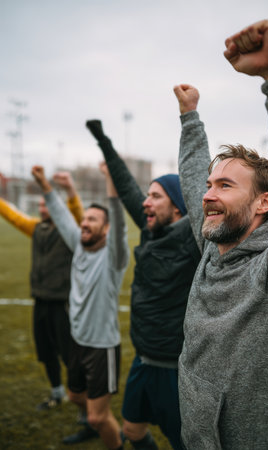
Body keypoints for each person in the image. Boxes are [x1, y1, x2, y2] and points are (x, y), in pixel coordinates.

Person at [173, 19, 268, 449]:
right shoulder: (212, 247)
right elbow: (193, 184)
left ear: (265, 202)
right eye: (213, 184)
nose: (210, 194)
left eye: (225, 186)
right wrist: (190, 117)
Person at [86, 120, 201, 450]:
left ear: (179, 206)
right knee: (132, 431)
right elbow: (125, 188)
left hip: (176, 368)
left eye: (155, 196)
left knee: (186, 442)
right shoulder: (152, 230)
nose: (145, 202)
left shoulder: (196, 239)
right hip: (143, 359)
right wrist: (104, 142)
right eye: (147, 195)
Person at [32, 162, 129, 450]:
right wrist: (45, 184)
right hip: (77, 341)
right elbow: (62, 217)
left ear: (106, 228)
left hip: (102, 348)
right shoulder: (79, 246)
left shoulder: (113, 258)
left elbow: (120, 221)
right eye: (84, 219)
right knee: (75, 397)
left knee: (99, 418)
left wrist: (110, 177)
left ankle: (113, 439)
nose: (85, 223)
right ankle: (92, 421)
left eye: (93, 220)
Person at [0, 173, 83, 410]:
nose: (42, 209)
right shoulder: (36, 228)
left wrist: (70, 192)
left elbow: (77, 214)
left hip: (62, 303)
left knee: (70, 355)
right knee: (46, 351)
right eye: (39, 206)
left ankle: (83, 403)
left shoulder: (71, 232)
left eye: (45, 204)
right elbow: (14, 217)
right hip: (40, 301)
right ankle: (57, 393)